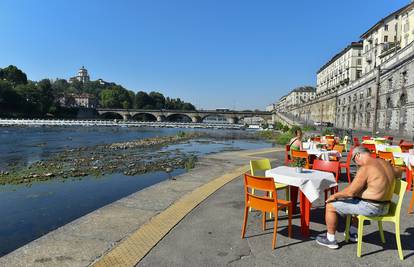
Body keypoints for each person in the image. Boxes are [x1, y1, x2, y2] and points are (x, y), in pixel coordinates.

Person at [316, 146, 401, 249]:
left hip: (371, 208)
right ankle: (353, 233)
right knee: (356, 200)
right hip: (386, 208)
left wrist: (334, 196)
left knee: (330, 206)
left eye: (354, 160)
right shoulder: (385, 163)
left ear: (357, 155)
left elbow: (351, 192)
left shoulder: (366, 167)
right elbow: (399, 172)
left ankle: (330, 239)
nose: (356, 164)